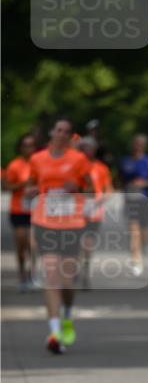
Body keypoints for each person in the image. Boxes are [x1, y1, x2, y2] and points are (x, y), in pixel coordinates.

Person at [27, 118, 93, 353]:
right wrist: (32, 191)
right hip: (45, 223)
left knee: (67, 282)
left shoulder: (78, 159)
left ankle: (66, 314)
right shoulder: (37, 159)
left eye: (67, 131)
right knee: (51, 277)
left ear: (70, 135)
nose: (62, 134)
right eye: (59, 130)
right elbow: (30, 186)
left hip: (71, 223)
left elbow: (90, 189)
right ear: (51, 132)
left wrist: (77, 189)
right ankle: (54, 332)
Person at [118, 133, 148, 276]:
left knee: (144, 230)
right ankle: (136, 261)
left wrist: (144, 183)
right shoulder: (125, 161)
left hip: (145, 200)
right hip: (131, 201)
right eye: (136, 143)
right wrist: (126, 188)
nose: (138, 146)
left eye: (141, 144)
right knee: (134, 232)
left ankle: (146, 244)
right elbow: (119, 179)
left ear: (144, 146)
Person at [78, 135, 114, 288]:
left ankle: (85, 273)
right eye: (84, 147)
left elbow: (109, 190)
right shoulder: (75, 165)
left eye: (90, 148)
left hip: (94, 208)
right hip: (76, 208)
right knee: (74, 241)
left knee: (88, 243)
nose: (88, 151)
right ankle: (74, 269)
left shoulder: (101, 167)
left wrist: (101, 200)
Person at [3, 132, 37, 290]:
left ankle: (32, 275)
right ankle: (22, 275)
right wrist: (22, 185)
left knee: (33, 245)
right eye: (25, 145)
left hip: (35, 210)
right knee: (21, 244)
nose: (28, 148)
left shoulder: (39, 163)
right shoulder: (14, 165)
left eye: (31, 145)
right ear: (20, 147)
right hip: (18, 209)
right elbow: (6, 186)